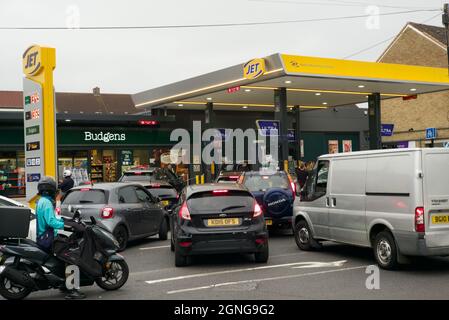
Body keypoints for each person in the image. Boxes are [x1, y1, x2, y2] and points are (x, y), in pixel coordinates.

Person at [36, 176, 85, 300]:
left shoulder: (41, 201)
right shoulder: (46, 203)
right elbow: (50, 221)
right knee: (71, 257)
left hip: (43, 237)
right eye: (54, 189)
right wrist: (67, 225)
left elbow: (51, 218)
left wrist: (63, 220)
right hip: (47, 238)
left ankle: (64, 283)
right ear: (50, 190)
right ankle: (73, 290)